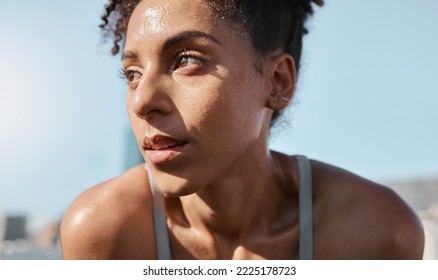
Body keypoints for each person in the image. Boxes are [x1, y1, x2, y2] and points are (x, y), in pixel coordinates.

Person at [60, 0, 424, 260]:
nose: (142, 101)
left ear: (278, 80)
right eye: (132, 74)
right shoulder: (104, 233)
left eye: (187, 60)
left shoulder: (374, 233)